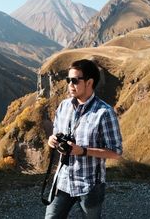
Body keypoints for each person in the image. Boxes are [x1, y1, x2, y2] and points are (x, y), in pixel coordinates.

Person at [45, 59, 123, 219]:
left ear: (89, 82)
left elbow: (116, 153)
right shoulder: (63, 106)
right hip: (63, 180)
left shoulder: (104, 113)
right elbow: (56, 134)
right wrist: (52, 140)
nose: (69, 84)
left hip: (90, 185)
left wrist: (83, 151)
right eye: (68, 80)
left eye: (74, 80)